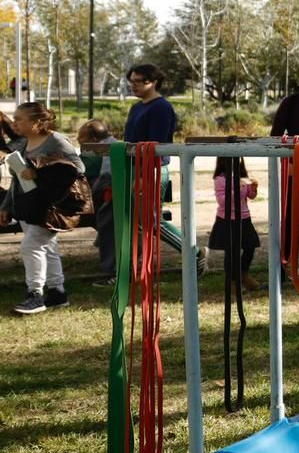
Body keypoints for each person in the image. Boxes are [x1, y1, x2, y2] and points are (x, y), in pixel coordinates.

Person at [3, 102, 84, 314]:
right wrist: (5, 206)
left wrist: (40, 171)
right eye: (14, 118)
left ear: (37, 122)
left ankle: (35, 295)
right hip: (27, 205)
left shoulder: (56, 141)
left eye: (20, 118)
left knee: (30, 247)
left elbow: (77, 167)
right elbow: (16, 179)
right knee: (47, 248)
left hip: (50, 206)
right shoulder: (22, 144)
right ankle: (57, 293)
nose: (14, 123)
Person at [208, 158, 261, 291]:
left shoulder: (242, 177)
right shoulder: (220, 180)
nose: (235, 163)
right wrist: (236, 189)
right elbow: (222, 201)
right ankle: (231, 281)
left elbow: (250, 195)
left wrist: (253, 189)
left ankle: (243, 273)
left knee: (250, 245)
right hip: (227, 220)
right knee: (231, 250)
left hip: (244, 218)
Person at [77, 120, 120, 281]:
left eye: (81, 139)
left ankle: (111, 268)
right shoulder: (115, 143)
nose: (79, 142)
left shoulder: (96, 152)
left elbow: (79, 172)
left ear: (93, 139)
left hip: (106, 200)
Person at [124, 64, 178, 146]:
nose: (133, 85)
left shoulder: (161, 107)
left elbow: (158, 143)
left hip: (152, 157)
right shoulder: (136, 107)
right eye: (131, 81)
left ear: (154, 82)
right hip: (132, 157)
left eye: (138, 81)